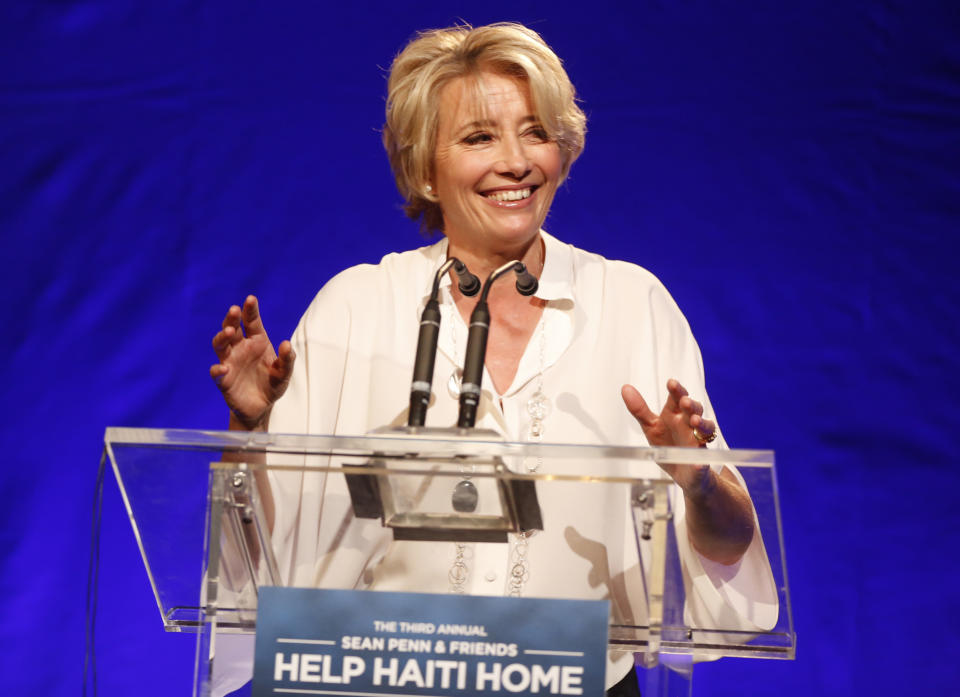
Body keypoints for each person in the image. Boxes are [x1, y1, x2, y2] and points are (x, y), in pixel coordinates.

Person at [210, 22, 776, 696]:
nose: (516, 161)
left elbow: (729, 546)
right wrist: (247, 434)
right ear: (425, 168)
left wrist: (699, 481)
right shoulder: (356, 308)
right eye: (480, 137)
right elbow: (259, 566)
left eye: (537, 133)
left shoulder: (632, 304)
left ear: (564, 152)